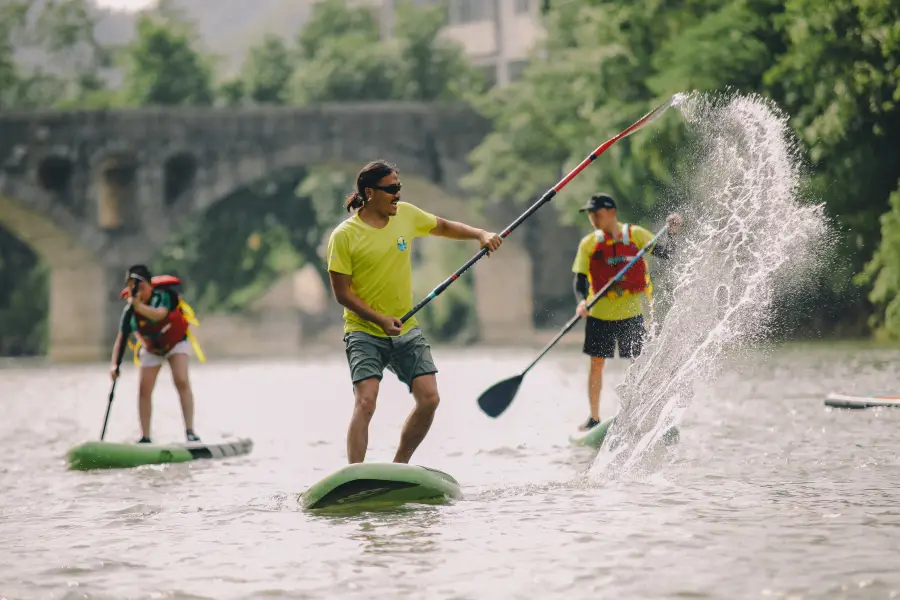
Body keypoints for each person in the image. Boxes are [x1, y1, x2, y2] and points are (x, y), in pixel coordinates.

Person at [326, 159, 503, 464]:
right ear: (369, 192)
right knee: (366, 402)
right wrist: (379, 320)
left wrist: (480, 235)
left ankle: (399, 466)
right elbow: (342, 294)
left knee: (430, 399)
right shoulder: (344, 236)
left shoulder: (406, 215)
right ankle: (354, 475)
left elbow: (445, 227)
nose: (397, 194)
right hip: (364, 332)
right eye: (391, 189)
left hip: (406, 329)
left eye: (399, 187)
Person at [571, 193, 683, 431]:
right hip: (599, 315)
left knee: (639, 365)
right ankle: (594, 418)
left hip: (631, 315)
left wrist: (672, 232)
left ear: (611, 212)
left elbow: (668, 254)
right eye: (590, 214)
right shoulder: (588, 243)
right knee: (596, 364)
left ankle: (644, 414)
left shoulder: (636, 235)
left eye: (596, 213)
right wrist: (582, 302)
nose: (592, 218)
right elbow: (579, 281)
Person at [110, 265, 205, 443]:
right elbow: (121, 339)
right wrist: (115, 365)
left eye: (142, 287)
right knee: (144, 390)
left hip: (176, 342)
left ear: (150, 285)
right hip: (152, 348)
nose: (139, 292)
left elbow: (159, 315)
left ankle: (190, 431)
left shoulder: (163, 297)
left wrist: (138, 306)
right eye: (133, 287)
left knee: (181, 380)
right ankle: (145, 437)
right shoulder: (129, 311)